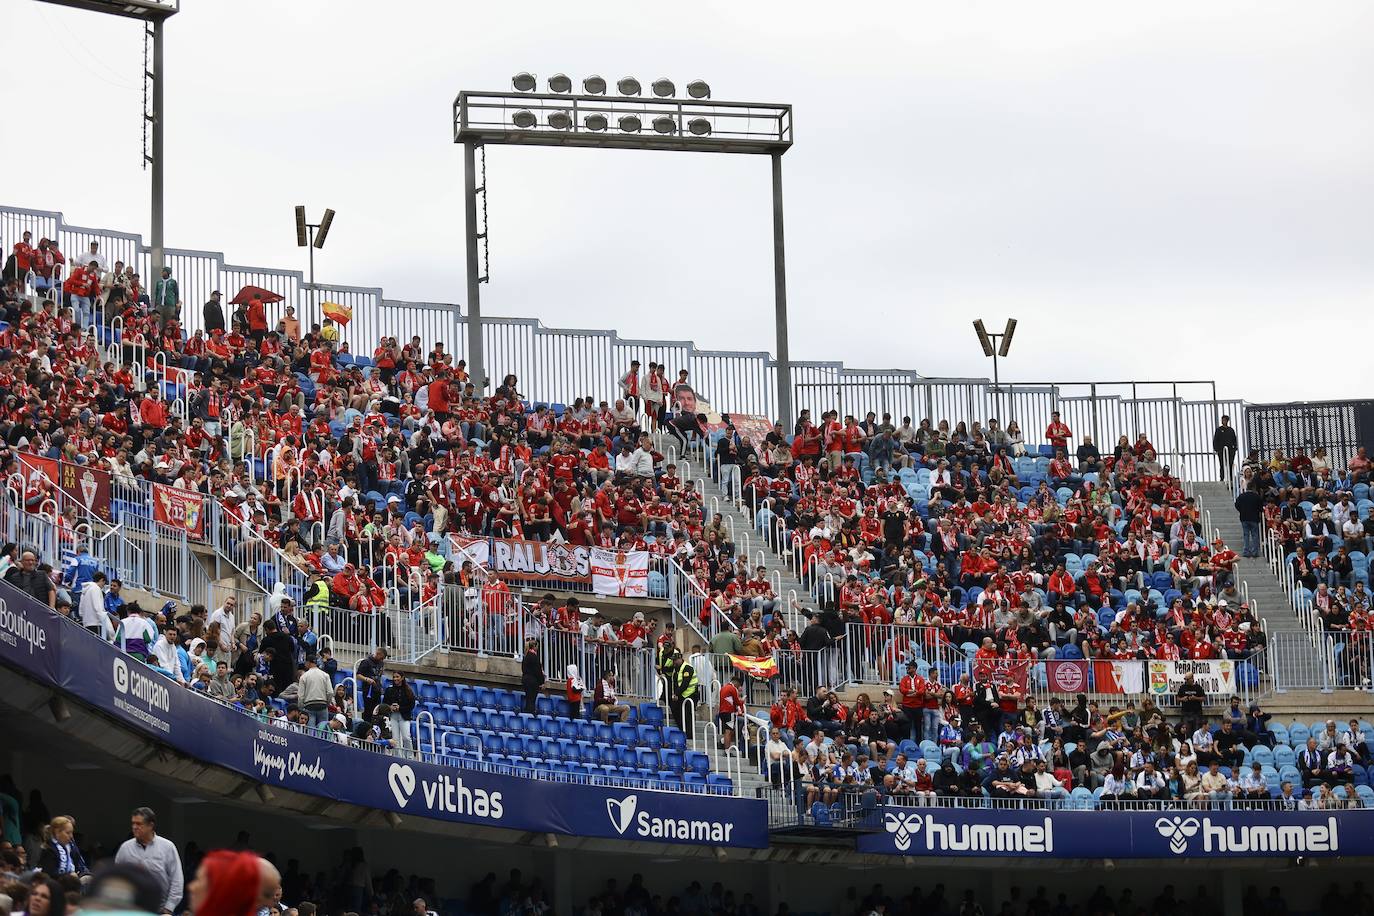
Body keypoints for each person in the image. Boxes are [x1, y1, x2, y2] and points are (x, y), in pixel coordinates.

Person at [115, 807, 184, 915]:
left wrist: (169, 908)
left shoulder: (167, 847)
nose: (134, 827)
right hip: (131, 909)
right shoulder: (125, 848)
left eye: (139, 824)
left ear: (150, 825)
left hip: (160, 910)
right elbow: (117, 878)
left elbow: (177, 879)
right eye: (133, 823)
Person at [1235, 484, 1264, 559]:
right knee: (1255, 535)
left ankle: (1246, 551)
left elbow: (1236, 505)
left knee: (1246, 535)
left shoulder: (1241, 496)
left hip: (1244, 518)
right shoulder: (1256, 496)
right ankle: (1255, 552)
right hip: (1254, 518)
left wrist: (1241, 511)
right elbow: (1261, 507)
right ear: (1253, 488)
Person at [520, 638, 544, 714]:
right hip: (533, 681)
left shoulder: (526, 656)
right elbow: (538, 671)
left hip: (526, 679)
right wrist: (542, 682)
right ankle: (530, 713)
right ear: (534, 646)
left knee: (528, 698)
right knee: (532, 699)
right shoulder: (533, 657)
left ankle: (528, 713)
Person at [1214, 416, 1239, 484]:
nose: (1223, 421)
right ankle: (1222, 478)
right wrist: (1217, 449)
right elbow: (1215, 440)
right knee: (1222, 465)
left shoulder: (1231, 430)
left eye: (1224, 420)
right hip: (1221, 450)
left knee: (1230, 464)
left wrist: (1234, 448)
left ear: (1227, 421)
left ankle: (1231, 478)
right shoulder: (1218, 430)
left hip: (1230, 450)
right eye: (1222, 420)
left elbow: (1234, 440)